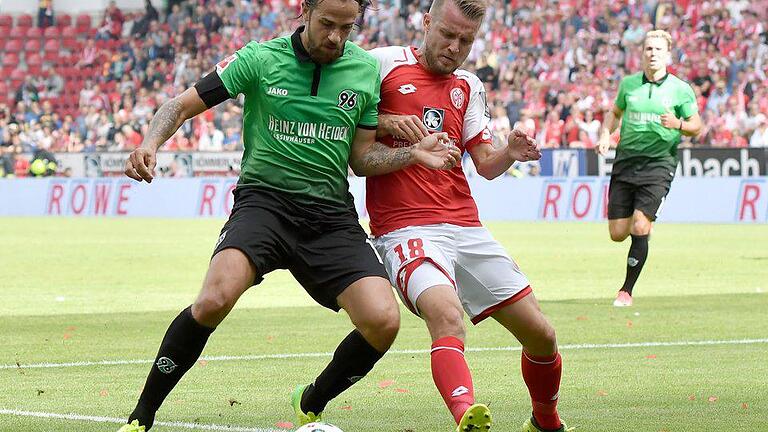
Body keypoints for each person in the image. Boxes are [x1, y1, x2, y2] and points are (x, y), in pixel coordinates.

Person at [116, 0, 461, 430]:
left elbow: (361, 158)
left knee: (383, 321)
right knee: (213, 299)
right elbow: (180, 105)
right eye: (327, 24)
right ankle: (141, 415)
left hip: (330, 214)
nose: (335, 37)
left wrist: (413, 154)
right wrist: (150, 141)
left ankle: (311, 400)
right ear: (305, 10)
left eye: (347, 27)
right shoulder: (259, 59)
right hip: (265, 205)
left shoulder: (363, 71)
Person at [367, 1, 572, 431]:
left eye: (466, 40)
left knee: (542, 334)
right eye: (447, 34)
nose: (454, 47)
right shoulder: (381, 64)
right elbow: (354, 137)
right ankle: (467, 418)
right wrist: (388, 119)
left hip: (465, 226)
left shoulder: (469, 85)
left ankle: (544, 421)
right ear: (426, 23)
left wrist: (510, 154)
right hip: (405, 229)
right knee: (447, 316)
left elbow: (485, 163)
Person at [597, 30, 702, 307]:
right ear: (641, 53)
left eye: (658, 49)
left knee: (641, 225)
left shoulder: (680, 89)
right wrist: (606, 135)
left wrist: (678, 124)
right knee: (618, 233)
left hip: (659, 163)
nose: (652, 53)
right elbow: (614, 113)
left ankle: (626, 291)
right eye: (648, 49)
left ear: (667, 54)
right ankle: (643, 228)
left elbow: (696, 126)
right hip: (626, 161)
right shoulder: (629, 85)